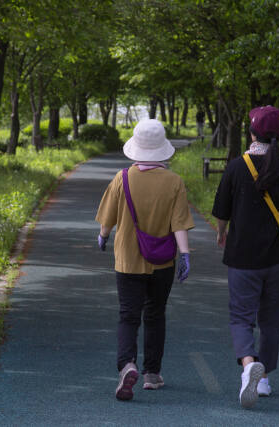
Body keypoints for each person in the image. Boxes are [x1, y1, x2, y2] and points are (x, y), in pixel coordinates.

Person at [211, 105, 279, 409]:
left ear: (251, 132)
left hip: (243, 257)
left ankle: (248, 366)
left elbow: (221, 212)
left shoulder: (235, 167)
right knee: (273, 319)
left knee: (241, 316)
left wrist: (221, 233)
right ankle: (264, 377)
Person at [96, 119, 195, 401]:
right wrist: (185, 254)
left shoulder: (123, 177)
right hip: (162, 262)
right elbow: (179, 223)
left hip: (127, 260)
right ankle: (152, 374)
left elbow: (108, 219)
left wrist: (103, 236)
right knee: (155, 314)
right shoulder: (174, 182)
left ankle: (127, 365)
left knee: (128, 316)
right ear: (162, 148)